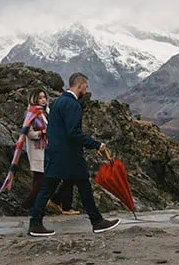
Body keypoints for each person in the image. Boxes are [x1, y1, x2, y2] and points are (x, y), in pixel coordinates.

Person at [27, 73, 121, 237]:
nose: (87, 89)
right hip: (70, 155)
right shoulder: (73, 105)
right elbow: (73, 133)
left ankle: (35, 223)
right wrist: (96, 144)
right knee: (84, 187)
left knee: (48, 188)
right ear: (79, 85)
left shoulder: (58, 103)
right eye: (86, 86)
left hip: (55, 152)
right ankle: (97, 222)